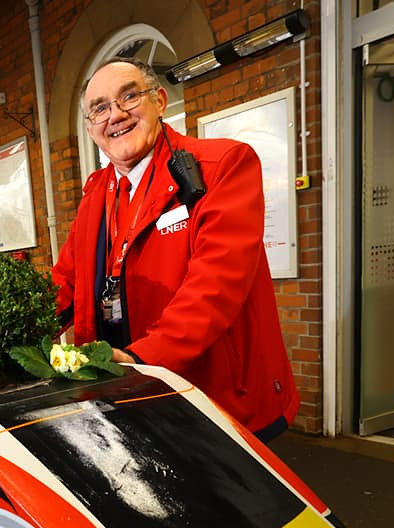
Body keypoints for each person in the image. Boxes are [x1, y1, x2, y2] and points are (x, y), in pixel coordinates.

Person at [53, 58, 298, 442]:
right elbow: (66, 281)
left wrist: (141, 360)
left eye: (129, 96)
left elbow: (214, 288)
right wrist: (11, 333)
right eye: (99, 108)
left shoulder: (223, 165)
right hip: (126, 400)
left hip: (213, 401)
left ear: (160, 101)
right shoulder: (96, 193)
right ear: (90, 129)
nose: (115, 115)